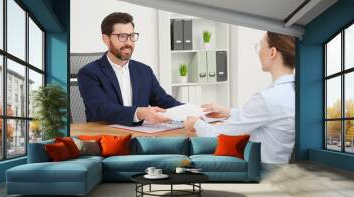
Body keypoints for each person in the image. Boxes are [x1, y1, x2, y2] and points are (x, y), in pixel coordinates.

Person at [184, 31, 296, 164]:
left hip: (265, 171)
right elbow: (268, 115)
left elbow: (219, 134)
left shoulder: (266, 99)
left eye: (260, 46)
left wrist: (195, 123)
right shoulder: (294, 92)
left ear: (272, 52)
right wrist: (228, 112)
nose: (258, 52)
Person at [78, 12, 182, 126]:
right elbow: (102, 108)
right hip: (105, 136)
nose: (129, 42)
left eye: (132, 36)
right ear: (106, 39)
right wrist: (139, 113)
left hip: (138, 136)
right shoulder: (89, 73)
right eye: (122, 36)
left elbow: (164, 101)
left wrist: (194, 112)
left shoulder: (144, 71)